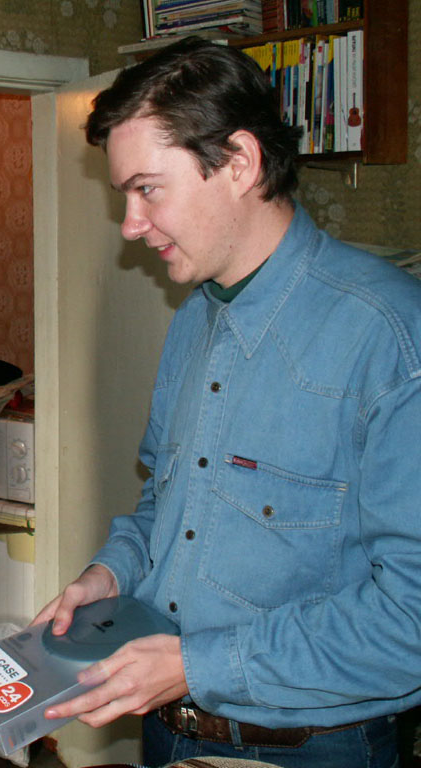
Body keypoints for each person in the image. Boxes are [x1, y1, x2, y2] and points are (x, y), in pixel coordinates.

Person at [32, 36, 421, 768]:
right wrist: (110, 574)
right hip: (166, 733)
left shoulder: (391, 337)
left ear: (239, 162)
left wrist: (197, 665)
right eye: (124, 196)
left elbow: (412, 621)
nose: (130, 224)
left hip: (310, 750)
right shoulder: (193, 321)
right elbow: (166, 508)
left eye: (148, 189)